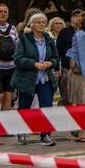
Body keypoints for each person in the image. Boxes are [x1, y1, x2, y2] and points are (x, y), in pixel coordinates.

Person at [14, 12, 59, 146]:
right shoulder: (24, 39)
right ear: (32, 25)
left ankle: (45, 135)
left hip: (45, 79)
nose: (41, 24)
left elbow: (56, 58)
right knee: (24, 107)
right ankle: (21, 133)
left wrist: (50, 63)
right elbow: (18, 59)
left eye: (43, 22)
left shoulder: (49, 39)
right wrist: (34, 64)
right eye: (38, 22)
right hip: (28, 79)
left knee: (47, 108)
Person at [60, 11, 85, 142]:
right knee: (82, 102)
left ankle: (78, 129)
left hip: (79, 73)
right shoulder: (82, 36)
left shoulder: (80, 34)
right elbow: (83, 57)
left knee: (80, 103)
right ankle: (81, 132)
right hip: (80, 74)